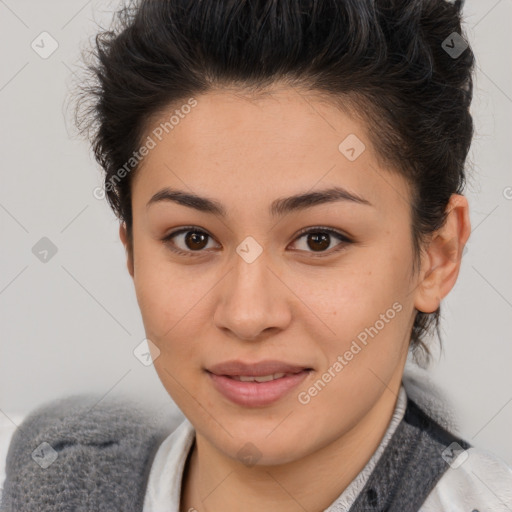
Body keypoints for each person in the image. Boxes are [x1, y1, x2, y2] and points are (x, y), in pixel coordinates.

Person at [1, 0, 511, 511]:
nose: (247, 315)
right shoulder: (35, 478)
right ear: (131, 250)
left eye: (319, 239)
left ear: (437, 254)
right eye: (193, 239)